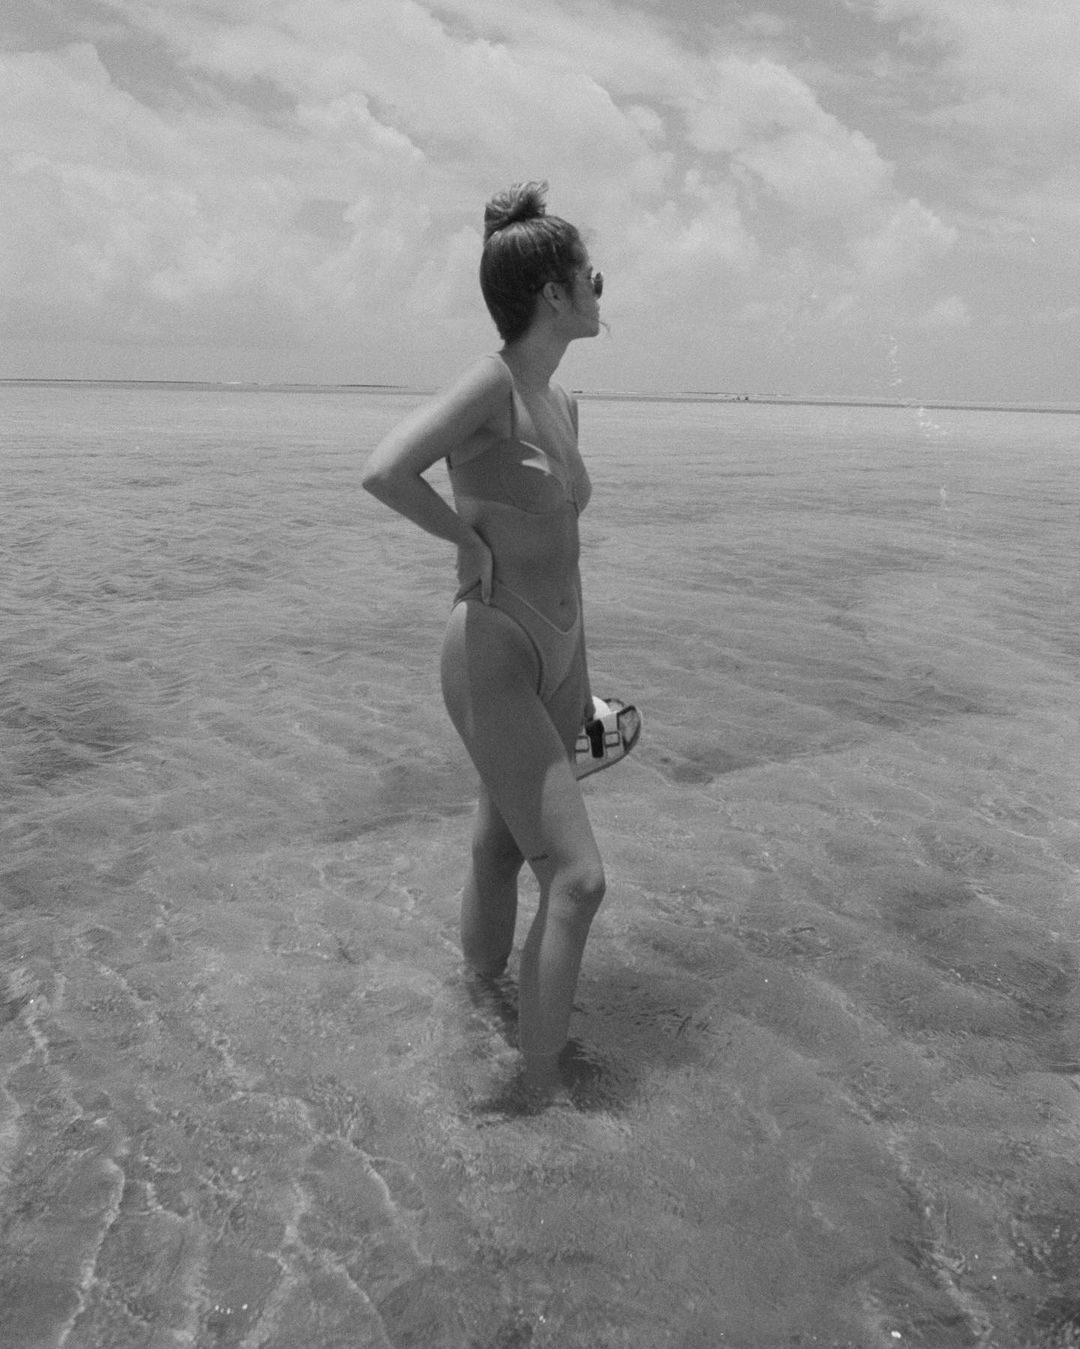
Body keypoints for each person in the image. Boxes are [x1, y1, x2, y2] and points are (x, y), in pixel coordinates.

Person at [361, 181, 606, 1101]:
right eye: (591, 275)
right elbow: (386, 469)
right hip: (494, 649)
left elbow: (560, 539)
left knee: (500, 849)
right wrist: (463, 542)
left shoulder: (562, 401)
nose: (600, 290)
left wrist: (579, 674)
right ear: (553, 292)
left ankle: (478, 1007)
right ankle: (538, 1090)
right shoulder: (492, 383)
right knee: (577, 879)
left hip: (561, 651)